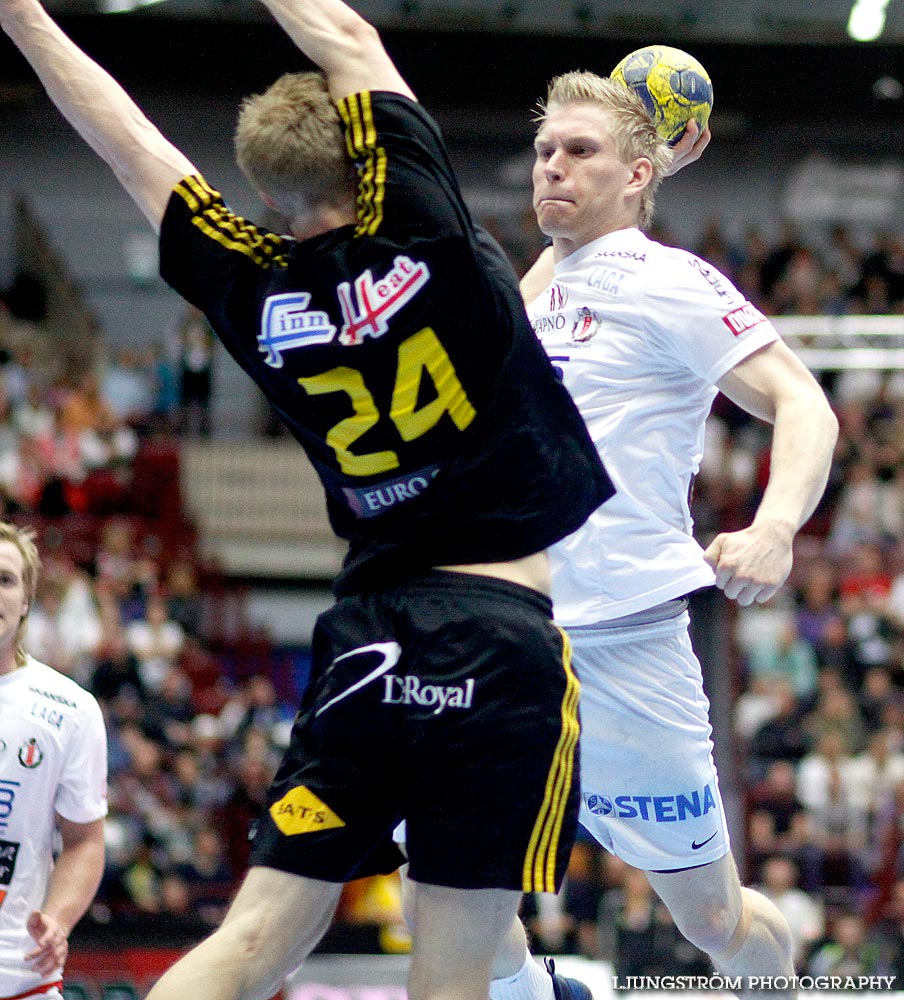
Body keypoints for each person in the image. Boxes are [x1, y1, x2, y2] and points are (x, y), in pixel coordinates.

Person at [0, 4, 614, 1000]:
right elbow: (347, 37)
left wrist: (24, 17)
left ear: (270, 188)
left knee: (250, 945)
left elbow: (130, 146)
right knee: (452, 975)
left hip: (365, 634)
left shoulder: (257, 291)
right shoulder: (432, 234)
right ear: (365, 156)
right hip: (494, 632)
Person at [489, 71, 836, 992]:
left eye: (580, 151)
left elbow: (805, 404)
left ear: (639, 173)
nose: (551, 167)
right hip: (506, 627)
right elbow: (517, 326)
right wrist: (620, 183)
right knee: (441, 876)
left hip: (626, 641)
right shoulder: (541, 286)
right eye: (543, 151)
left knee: (713, 917)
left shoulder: (672, 282)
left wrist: (775, 526)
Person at [0, 521, 108, 1000]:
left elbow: (84, 841)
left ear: (26, 600)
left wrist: (58, 921)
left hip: (21, 977)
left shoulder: (70, 709)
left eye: (5, 580)